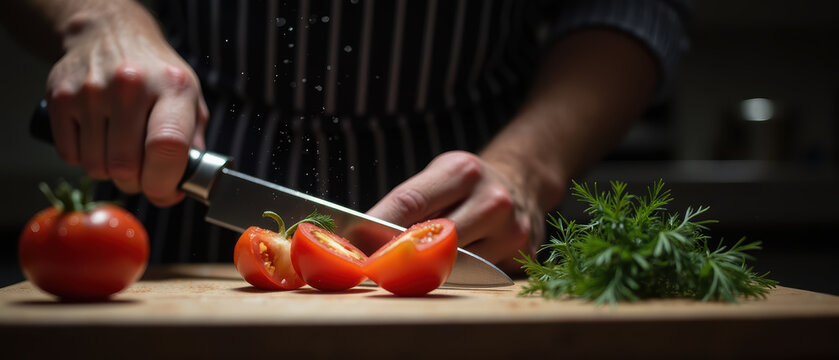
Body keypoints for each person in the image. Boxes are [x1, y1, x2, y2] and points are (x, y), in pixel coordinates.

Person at [1, 0, 690, 273]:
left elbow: (628, 4)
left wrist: (528, 165)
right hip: (166, 200)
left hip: (475, 225)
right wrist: (96, 15)